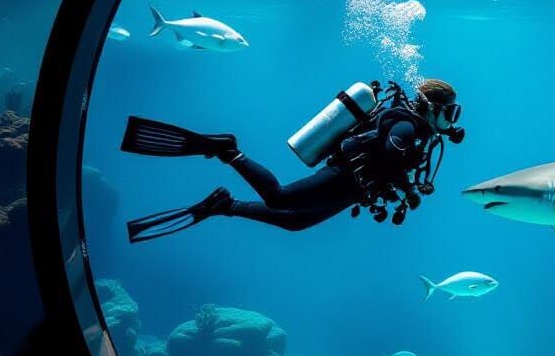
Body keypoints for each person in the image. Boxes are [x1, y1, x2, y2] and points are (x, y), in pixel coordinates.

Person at [122, 79, 463, 242]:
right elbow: (391, 157)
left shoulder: (419, 130)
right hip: (346, 177)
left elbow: (392, 162)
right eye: (450, 112)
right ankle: (228, 150)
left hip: (356, 189)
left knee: (296, 222)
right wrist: (409, 190)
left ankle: (225, 205)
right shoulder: (406, 126)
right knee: (279, 198)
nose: (452, 120)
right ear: (432, 107)